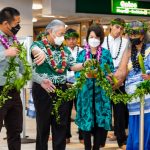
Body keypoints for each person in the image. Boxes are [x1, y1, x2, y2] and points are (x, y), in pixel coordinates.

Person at [30, 19, 85, 150]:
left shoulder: (65, 50)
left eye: (63, 34)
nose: (62, 37)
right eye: (60, 34)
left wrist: (84, 65)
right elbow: (35, 50)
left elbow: (72, 66)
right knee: (43, 126)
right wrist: (40, 52)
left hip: (62, 89)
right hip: (43, 89)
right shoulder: (37, 45)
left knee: (61, 126)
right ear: (50, 32)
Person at [75, 23, 114, 150]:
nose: (94, 39)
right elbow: (76, 72)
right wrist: (84, 74)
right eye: (91, 36)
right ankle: (87, 147)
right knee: (86, 122)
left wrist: (108, 77)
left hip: (101, 95)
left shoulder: (106, 54)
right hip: (85, 93)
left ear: (101, 39)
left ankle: (96, 147)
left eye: (97, 37)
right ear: (87, 37)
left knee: (99, 122)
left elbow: (111, 72)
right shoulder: (81, 54)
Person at [102, 18, 129, 149]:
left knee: (120, 112)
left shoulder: (126, 42)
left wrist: (121, 78)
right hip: (104, 80)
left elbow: (128, 64)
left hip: (120, 80)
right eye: (117, 27)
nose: (119, 31)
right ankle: (100, 139)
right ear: (111, 26)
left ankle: (121, 140)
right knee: (103, 111)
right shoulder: (102, 41)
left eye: (121, 28)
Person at [125, 21, 150, 150]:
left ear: (142, 35)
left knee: (147, 128)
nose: (132, 37)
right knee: (135, 130)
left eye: (135, 34)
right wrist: (112, 80)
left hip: (148, 98)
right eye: (130, 34)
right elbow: (121, 73)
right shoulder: (128, 51)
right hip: (133, 99)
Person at [0, 7, 23, 150]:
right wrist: (5, 53)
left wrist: (41, 80)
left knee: (15, 131)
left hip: (14, 92)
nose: (18, 26)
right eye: (16, 22)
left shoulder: (14, 41)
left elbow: (23, 66)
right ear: (5, 23)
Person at [64, 28, 84, 144]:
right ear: (65, 40)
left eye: (74, 39)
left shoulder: (82, 51)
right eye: (69, 39)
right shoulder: (62, 51)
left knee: (80, 109)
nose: (71, 41)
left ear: (77, 39)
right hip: (66, 84)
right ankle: (66, 136)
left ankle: (82, 136)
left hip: (79, 83)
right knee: (65, 111)